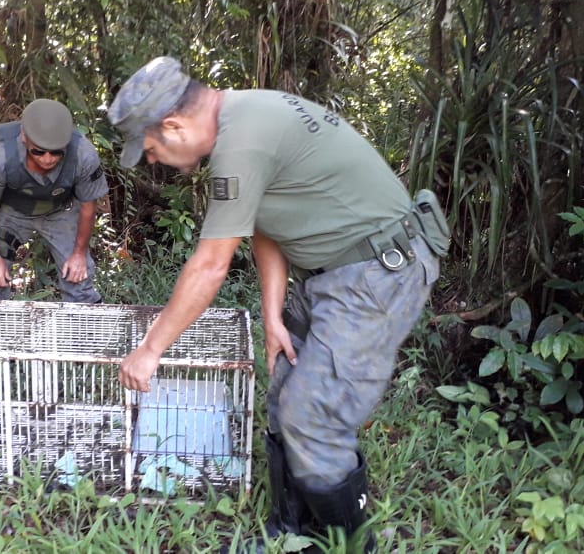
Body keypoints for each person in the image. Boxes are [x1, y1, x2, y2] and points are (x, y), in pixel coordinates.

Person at [107, 57, 447, 552]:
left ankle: (353, 546)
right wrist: (272, 318)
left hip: (378, 271)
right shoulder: (243, 117)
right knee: (285, 391)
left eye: (152, 148)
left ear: (174, 125)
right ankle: (292, 536)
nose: (153, 160)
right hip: (335, 273)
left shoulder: (240, 143)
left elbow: (209, 266)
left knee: (313, 416)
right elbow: (268, 224)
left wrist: (150, 349)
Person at [0, 98, 107, 303]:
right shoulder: (1, 158)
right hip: (14, 212)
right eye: (39, 151)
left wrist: (78, 254)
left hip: (60, 211)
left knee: (78, 277)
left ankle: (84, 329)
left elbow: (88, 206)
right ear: (24, 137)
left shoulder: (83, 154)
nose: (48, 159)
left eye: (56, 152)